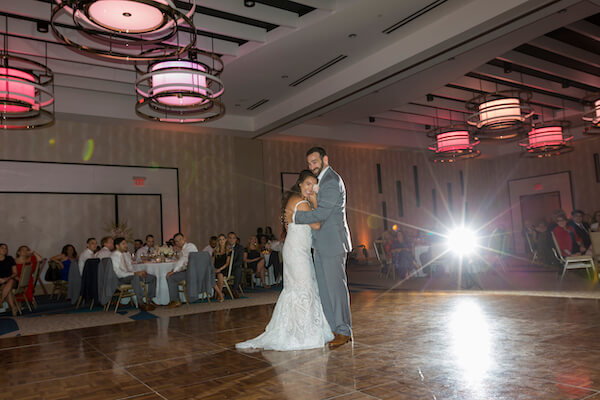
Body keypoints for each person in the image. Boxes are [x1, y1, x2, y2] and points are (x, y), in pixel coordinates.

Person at [236, 170, 333, 351]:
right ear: (300, 184)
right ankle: (301, 332)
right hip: (297, 252)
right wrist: (314, 201)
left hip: (297, 249)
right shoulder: (303, 203)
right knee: (302, 288)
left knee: (301, 288)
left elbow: (290, 226)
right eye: (308, 184)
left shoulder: (294, 200)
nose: (311, 189)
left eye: (314, 185)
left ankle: (300, 328)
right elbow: (318, 225)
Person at [289, 147, 353, 349]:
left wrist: (295, 217)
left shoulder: (332, 181)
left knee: (335, 290)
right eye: (309, 163)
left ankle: (343, 331)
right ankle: (333, 329)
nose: (312, 166)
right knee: (325, 291)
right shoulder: (322, 181)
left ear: (325, 159)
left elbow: (323, 213)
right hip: (321, 244)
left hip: (332, 243)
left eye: (315, 161)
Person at [111, 237, 157, 311]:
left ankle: (149, 300)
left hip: (129, 276)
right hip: (120, 279)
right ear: (117, 246)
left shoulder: (126, 254)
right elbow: (118, 273)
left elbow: (131, 267)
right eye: (123, 244)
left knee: (152, 277)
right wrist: (135, 273)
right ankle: (140, 302)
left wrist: (140, 272)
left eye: (126, 243)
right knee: (134, 277)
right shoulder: (114, 256)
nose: (126, 245)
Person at [165, 233, 198, 308]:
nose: (179, 242)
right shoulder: (182, 250)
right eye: (176, 241)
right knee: (172, 274)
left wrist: (174, 271)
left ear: (184, 239)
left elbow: (184, 260)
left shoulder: (190, 246)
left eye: (180, 239)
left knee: (171, 277)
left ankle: (175, 300)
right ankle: (175, 300)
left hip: (192, 272)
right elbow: (181, 262)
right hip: (188, 270)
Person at [0, 244, 18, 316]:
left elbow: (15, 273)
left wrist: (6, 278)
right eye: (2, 248)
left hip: (11, 280)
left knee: (10, 282)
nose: (5, 249)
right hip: (1, 283)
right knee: (8, 289)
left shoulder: (10, 259)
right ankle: (13, 308)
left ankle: (1, 301)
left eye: (6, 248)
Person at [212, 234, 229, 302]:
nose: (221, 241)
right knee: (209, 276)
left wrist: (220, 269)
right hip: (216, 269)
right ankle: (220, 294)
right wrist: (213, 269)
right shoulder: (215, 251)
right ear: (218, 241)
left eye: (223, 239)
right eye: (220, 240)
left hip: (224, 269)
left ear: (225, 240)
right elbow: (212, 263)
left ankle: (219, 295)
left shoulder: (229, 250)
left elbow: (227, 263)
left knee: (220, 274)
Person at [228, 231, 244, 298]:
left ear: (236, 239)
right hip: (225, 267)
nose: (231, 240)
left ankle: (235, 289)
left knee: (238, 269)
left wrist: (231, 266)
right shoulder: (224, 246)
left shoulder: (240, 248)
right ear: (228, 239)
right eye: (230, 238)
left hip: (234, 267)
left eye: (233, 238)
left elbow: (240, 261)